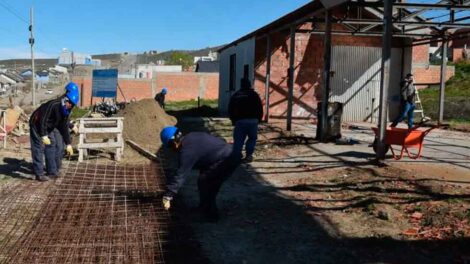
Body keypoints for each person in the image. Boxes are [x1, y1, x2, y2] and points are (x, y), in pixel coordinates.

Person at [160, 126, 241, 221]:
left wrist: (168, 195)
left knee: (207, 183)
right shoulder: (191, 135)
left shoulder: (187, 152)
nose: (172, 150)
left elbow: (181, 175)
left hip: (228, 159)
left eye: (170, 147)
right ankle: (204, 207)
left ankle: (211, 215)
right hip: (228, 154)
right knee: (204, 180)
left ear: (174, 143)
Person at [29, 85, 79, 181]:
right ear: (65, 99)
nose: (70, 106)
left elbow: (63, 126)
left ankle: (52, 171)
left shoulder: (66, 111)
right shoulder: (53, 105)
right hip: (36, 123)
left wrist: (68, 143)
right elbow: (43, 119)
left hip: (49, 126)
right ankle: (39, 173)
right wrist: (43, 135)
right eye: (70, 103)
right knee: (38, 147)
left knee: (52, 145)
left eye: (72, 105)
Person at [228, 78, 263, 163]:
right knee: (252, 138)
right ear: (249, 84)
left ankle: (236, 156)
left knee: (238, 140)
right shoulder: (254, 95)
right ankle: (248, 156)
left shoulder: (236, 95)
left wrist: (233, 120)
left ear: (241, 85)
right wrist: (259, 119)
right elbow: (260, 108)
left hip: (240, 121)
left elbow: (230, 109)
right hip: (253, 121)